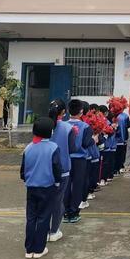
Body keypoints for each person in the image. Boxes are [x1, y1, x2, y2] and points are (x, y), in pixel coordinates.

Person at [21, 117, 61, 259]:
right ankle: (39, 249)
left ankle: (29, 249)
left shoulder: (28, 147)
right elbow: (57, 168)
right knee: (44, 217)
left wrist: (28, 179)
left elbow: (23, 170)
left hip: (31, 187)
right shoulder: (53, 147)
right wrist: (57, 182)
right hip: (47, 187)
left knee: (31, 217)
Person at [48, 99, 76, 242]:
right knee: (58, 201)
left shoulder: (43, 125)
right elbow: (72, 149)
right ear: (64, 112)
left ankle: (44, 229)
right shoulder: (67, 128)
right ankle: (54, 231)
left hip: (45, 169)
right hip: (63, 169)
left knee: (46, 200)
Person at [63, 99, 94, 223]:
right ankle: (74, 212)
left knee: (66, 185)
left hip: (66, 158)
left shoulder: (63, 125)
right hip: (80, 160)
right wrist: (94, 140)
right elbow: (86, 143)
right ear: (81, 112)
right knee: (77, 186)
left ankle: (65, 211)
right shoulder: (85, 126)